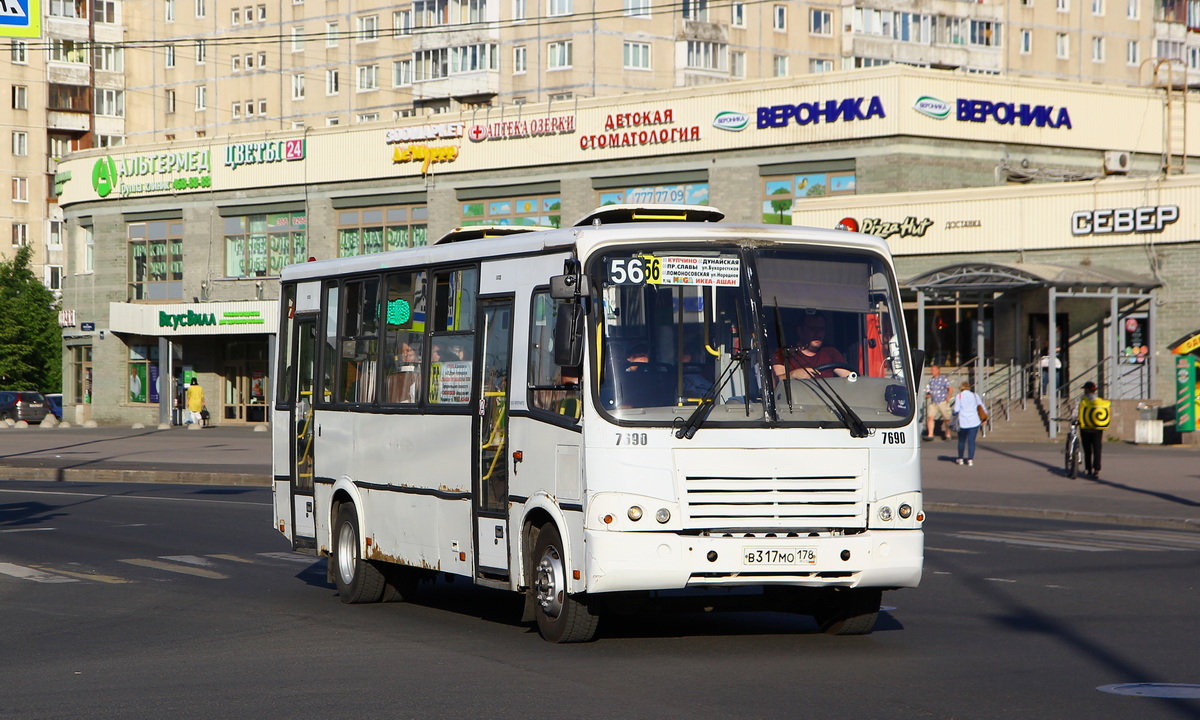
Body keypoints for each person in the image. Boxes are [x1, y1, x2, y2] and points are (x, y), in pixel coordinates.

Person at [772, 312, 853, 381]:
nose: (818, 333)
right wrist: (793, 375)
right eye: (813, 329)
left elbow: (850, 377)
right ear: (800, 331)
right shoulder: (784, 353)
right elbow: (776, 383)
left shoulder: (830, 351)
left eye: (821, 329)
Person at [1078, 380, 1109, 478]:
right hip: (1097, 428)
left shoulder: (1083, 400)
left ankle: (1088, 469)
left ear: (1087, 390)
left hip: (1085, 427)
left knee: (1087, 450)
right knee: (1097, 449)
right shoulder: (1100, 401)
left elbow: (1077, 412)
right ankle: (1097, 469)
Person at [952, 380, 986, 466]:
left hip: (963, 421)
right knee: (971, 441)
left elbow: (956, 409)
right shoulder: (975, 395)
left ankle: (960, 458)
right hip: (974, 421)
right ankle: (970, 459)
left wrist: (953, 414)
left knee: (961, 441)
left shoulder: (959, 396)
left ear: (961, 388)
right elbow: (981, 406)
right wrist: (984, 417)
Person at [925, 364, 954, 440]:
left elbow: (950, 388)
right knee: (930, 417)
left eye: (934, 370)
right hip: (934, 402)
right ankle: (930, 434)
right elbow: (930, 390)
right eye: (931, 370)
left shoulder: (943, 379)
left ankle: (948, 434)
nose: (932, 372)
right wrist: (929, 395)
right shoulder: (931, 380)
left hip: (942, 401)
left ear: (938, 371)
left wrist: (947, 398)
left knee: (946, 418)